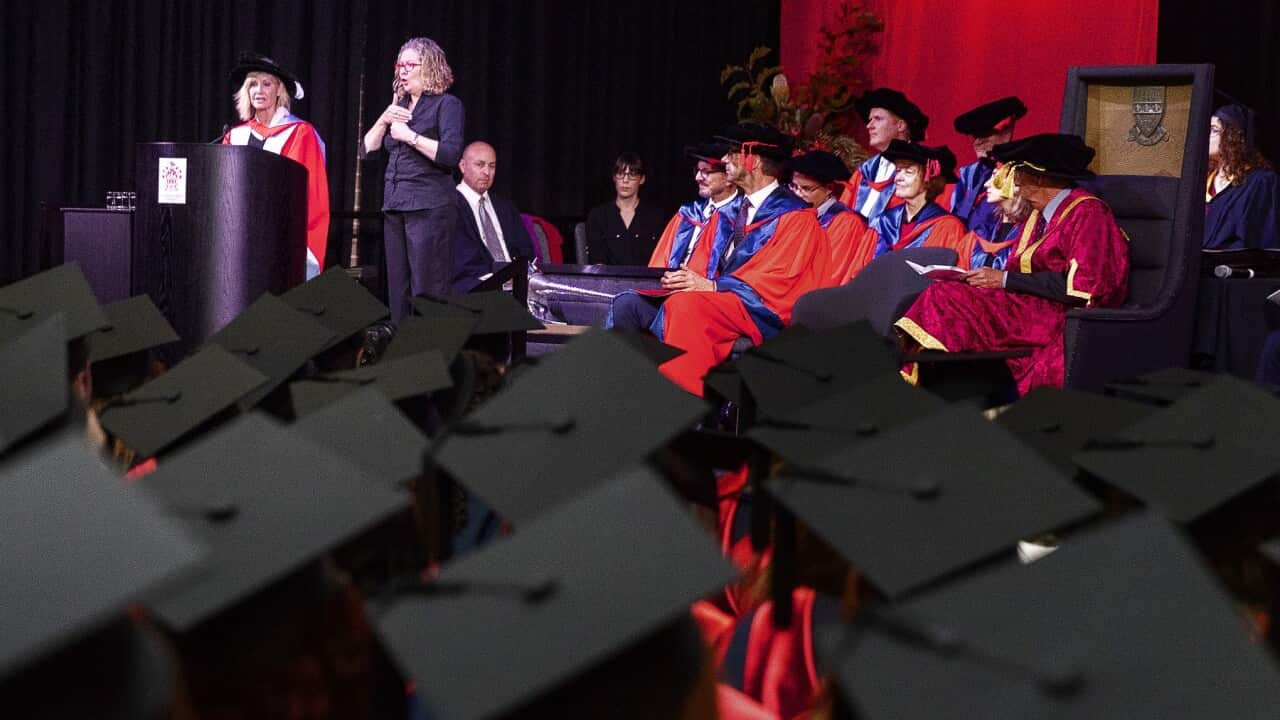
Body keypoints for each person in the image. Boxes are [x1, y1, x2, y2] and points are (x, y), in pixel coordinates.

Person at [895, 134, 1130, 394]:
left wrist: (1004, 280)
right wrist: (987, 279)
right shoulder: (1039, 215)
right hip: (1025, 304)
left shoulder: (1088, 213)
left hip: (1056, 316)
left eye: (1019, 174)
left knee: (946, 297)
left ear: (1039, 178)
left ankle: (945, 387)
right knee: (935, 294)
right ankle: (945, 385)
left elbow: (1086, 288)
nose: (1015, 183)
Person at [646, 122, 830, 396]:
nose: (723, 161)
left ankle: (682, 408)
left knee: (686, 307)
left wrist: (713, 287)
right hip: (732, 302)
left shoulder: (795, 218)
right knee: (643, 301)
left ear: (752, 160)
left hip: (765, 309)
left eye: (731, 153)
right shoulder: (737, 211)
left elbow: (780, 280)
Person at [362, 37, 465, 324]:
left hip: (428, 207)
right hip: (395, 206)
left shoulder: (447, 104)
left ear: (429, 67)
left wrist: (411, 136)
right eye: (400, 65)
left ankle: (430, 357)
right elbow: (367, 150)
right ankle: (400, 359)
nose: (402, 71)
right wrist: (384, 119)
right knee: (398, 292)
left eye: (410, 65)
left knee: (427, 292)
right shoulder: (399, 106)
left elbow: (449, 154)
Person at [608, 141, 743, 331]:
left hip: (709, 304)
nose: (698, 177)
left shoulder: (742, 218)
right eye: (697, 171)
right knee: (625, 303)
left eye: (706, 172)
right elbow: (658, 265)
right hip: (671, 296)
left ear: (728, 176)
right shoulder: (688, 213)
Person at [223, 52, 330, 280]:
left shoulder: (300, 133)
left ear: (279, 90)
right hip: (238, 241)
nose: (259, 90)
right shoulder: (234, 136)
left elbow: (311, 195)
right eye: (252, 84)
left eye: (266, 83)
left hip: (280, 243)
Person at [450, 141, 536, 293]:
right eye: (480, 165)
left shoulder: (505, 207)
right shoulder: (450, 206)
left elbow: (526, 251)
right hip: (477, 288)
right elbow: (462, 263)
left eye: (492, 166)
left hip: (516, 287)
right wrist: (499, 279)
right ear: (463, 166)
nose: (487, 172)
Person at [868, 140, 971, 264]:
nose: (898, 178)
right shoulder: (882, 222)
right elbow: (859, 272)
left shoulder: (947, 227)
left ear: (929, 180)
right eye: (898, 171)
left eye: (908, 172)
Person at [788, 149, 877, 285]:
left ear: (829, 188)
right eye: (794, 186)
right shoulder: (794, 214)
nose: (797, 194)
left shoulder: (847, 223)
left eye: (806, 189)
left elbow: (831, 275)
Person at [841, 88, 929, 223]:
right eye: (869, 120)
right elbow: (843, 213)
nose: (869, 126)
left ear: (900, 125)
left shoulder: (922, 168)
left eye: (878, 119)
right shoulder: (866, 171)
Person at [1204, 104, 1280, 250]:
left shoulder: (1260, 182)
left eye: (1213, 130)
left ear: (1232, 137)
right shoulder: (1201, 182)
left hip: (1230, 269)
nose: (1205, 136)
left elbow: (1259, 241)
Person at [950, 96, 1026, 232]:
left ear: (1006, 133)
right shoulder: (968, 174)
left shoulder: (1019, 175)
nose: (977, 142)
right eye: (975, 136)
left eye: (985, 135)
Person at [584, 152, 667, 264]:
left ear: (641, 179)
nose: (625, 180)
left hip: (647, 279)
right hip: (608, 280)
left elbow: (661, 260)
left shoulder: (656, 217)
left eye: (632, 175)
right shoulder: (598, 216)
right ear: (614, 178)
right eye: (620, 173)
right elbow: (597, 262)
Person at [967, 160, 1034, 269]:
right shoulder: (986, 228)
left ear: (1016, 183)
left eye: (995, 177)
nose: (986, 184)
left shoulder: (1033, 231)